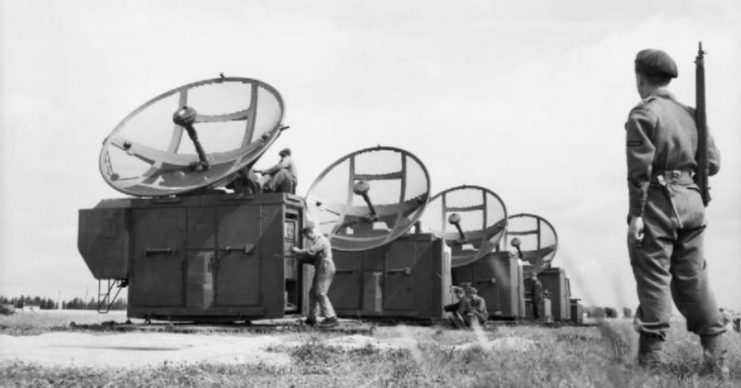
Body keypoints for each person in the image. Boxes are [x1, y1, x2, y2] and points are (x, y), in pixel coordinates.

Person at [625, 48, 726, 375]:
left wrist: (636, 216)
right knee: (694, 279)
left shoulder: (644, 114)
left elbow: (639, 173)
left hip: (658, 202)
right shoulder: (694, 114)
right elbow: (711, 164)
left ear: (640, 79)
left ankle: (651, 365)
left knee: (653, 276)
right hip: (693, 203)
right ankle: (716, 362)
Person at [291, 222, 337, 327]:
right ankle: (311, 318)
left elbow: (311, 252)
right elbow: (313, 259)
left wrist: (298, 251)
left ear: (311, 231)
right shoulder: (317, 241)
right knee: (312, 293)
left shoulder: (321, 240)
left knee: (320, 292)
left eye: (307, 235)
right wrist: (301, 258)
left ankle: (331, 317)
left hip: (326, 267)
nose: (307, 237)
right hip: (321, 267)